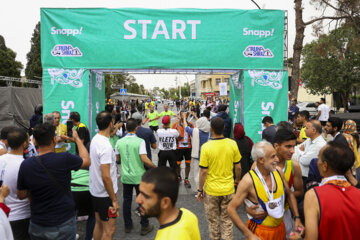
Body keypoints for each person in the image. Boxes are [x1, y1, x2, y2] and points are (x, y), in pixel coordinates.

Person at [16, 123, 90, 239]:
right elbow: (86, 161)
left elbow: (21, 195)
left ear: (35, 140)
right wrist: (77, 140)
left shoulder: (26, 164)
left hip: (38, 223)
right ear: (54, 139)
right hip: (63, 220)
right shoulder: (64, 158)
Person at [227, 141, 304, 240]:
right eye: (272, 157)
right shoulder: (248, 181)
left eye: (275, 155)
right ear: (261, 160)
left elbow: (289, 194)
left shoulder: (278, 172)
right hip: (260, 231)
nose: (277, 159)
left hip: (280, 228)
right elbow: (231, 209)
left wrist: (297, 218)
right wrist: (248, 234)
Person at [289, 142, 360, 240]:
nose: (317, 161)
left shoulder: (313, 195)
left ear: (325, 166)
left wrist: (296, 238)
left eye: (319, 158)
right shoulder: (357, 194)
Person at [197, 117, 242, 240]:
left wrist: (200, 190)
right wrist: (237, 180)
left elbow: (203, 171)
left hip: (211, 190)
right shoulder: (232, 144)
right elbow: (238, 167)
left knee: (213, 223)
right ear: (224, 128)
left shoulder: (206, 147)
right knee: (227, 222)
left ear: (211, 129)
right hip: (228, 188)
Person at [115, 118, 156, 235]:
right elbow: (144, 159)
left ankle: (128, 225)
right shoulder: (140, 141)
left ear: (126, 128)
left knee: (126, 200)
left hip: (126, 176)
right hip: (139, 176)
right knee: (142, 200)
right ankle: (144, 225)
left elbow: (118, 159)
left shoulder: (119, 141)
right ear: (136, 128)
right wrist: (154, 167)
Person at [136, 167, 201, 240]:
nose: (138, 200)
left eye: (145, 196)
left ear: (165, 202)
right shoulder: (188, 215)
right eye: (139, 193)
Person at [89, 111, 118, 240]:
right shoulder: (105, 146)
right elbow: (106, 177)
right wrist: (114, 200)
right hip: (105, 194)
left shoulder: (96, 139)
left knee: (99, 224)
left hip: (96, 191)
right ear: (111, 124)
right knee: (109, 230)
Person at [0, 128, 30, 240]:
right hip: (21, 216)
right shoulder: (25, 165)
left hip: (3, 214)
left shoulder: (1, 159)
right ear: (24, 143)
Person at [273, 129, 303, 237]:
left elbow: (299, 192)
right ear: (276, 146)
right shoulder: (262, 165)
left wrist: (280, 197)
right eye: (288, 146)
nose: (293, 151)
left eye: (294, 146)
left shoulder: (294, 166)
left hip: (284, 214)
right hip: (263, 216)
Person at [185, 109, 211, 192]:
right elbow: (202, 123)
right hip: (207, 154)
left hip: (197, 155)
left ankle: (199, 189)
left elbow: (186, 128)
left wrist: (184, 118)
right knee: (206, 172)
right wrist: (196, 117)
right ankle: (206, 187)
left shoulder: (196, 132)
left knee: (197, 173)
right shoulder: (208, 131)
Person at [173, 111, 194, 188]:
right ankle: (178, 177)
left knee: (188, 164)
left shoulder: (190, 124)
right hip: (179, 148)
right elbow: (172, 134)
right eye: (182, 114)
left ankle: (186, 178)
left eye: (185, 114)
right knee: (178, 164)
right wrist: (177, 137)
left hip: (188, 147)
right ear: (180, 115)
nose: (184, 115)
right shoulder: (175, 124)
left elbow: (194, 133)